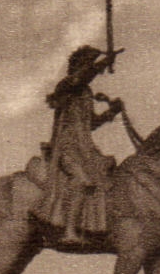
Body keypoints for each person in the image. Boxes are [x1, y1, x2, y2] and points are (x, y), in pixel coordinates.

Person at [34, 44, 125, 243]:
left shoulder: (85, 92)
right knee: (83, 182)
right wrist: (103, 63)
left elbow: (91, 123)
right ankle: (68, 232)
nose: (91, 67)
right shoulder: (67, 85)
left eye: (91, 64)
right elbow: (79, 79)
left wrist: (112, 112)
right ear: (79, 65)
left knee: (107, 178)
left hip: (84, 147)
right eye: (88, 64)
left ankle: (95, 227)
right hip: (66, 147)